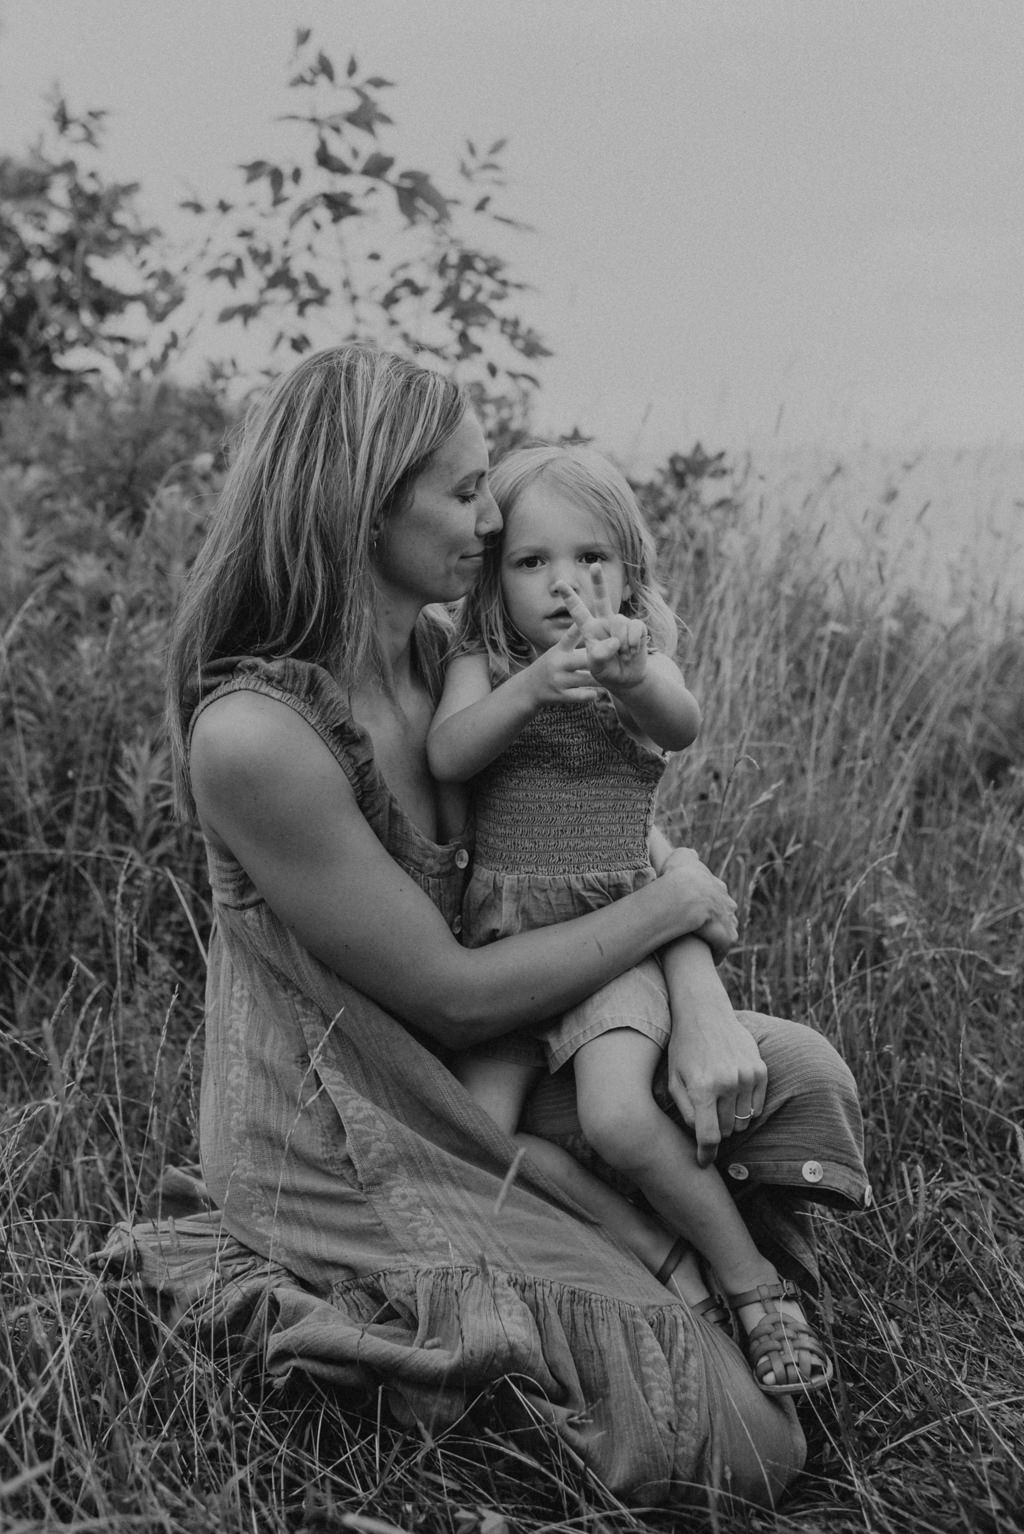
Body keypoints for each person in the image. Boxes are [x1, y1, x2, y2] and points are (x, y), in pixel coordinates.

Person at [148, 343, 869, 1511]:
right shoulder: (258, 733)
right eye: (465, 490)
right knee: (753, 1456)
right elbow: (451, 994)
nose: (494, 517)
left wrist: (692, 993)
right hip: (357, 1128)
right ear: (364, 506)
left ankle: (672, 1264)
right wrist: (676, 907)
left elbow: (605, 830)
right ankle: (480, 1346)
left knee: (793, 1076)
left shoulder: (449, 661)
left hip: (483, 1064)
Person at [426, 443, 832, 1396]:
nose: (566, 585)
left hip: (613, 940)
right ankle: (650, 1251)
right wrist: (529, 685)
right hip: (504, 950)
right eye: (533, 563)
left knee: (616, 1115)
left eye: (591, 559)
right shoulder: (482, 662)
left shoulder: (638, 659)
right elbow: (448, 756)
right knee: (474, 1146)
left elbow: (680, 724)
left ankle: (753, 1282)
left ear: (629, 570)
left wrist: (627, 672)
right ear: (496, 574)